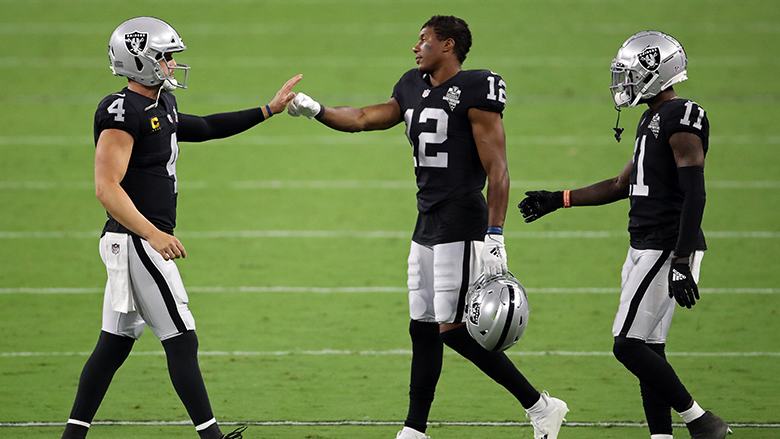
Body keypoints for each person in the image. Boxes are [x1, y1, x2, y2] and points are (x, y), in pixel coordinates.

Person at [287, 15, 568, 439]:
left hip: (462, 218)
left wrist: (495, 233)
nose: (416, 47)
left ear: (448, 45)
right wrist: (318, 110)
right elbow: (363, 117)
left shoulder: (476, 87)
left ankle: (541, 407)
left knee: (452, 330)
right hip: (428, 219)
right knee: (422, 326)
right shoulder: (411, 85)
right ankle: (415, 429)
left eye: (424, 40)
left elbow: (498, 167)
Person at [60, 17, 301, 439]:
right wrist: (152, 234)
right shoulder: (121, 110)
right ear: (139, 61)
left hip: (131, 240)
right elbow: (106, 187)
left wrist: (267, 110)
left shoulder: (161, 104)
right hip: (137, 239)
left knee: (114, 344)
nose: (172, 64)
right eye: (165, 57)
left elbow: (205, 127)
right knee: (181, 337)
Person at [518, 30, 731, 439]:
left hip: (666, 245)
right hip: (646, 243)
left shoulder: (681, 115)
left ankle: (700, 421)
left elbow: (696, 193)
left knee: (627, 345)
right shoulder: (651, 118)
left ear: (656, 71)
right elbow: (621, 184)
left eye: (632, 73)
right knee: (648, 348)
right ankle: (661, 435)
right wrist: (559, 199)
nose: (625, 82)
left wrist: (681, 259)